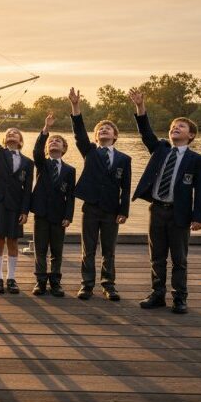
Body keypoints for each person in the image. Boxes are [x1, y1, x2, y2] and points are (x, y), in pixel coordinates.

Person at [129, 89, 201, 314]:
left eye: (181, 126)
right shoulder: (161, 149)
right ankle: (157, 294)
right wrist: (140, 107)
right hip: (157, 210)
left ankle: (180, 298)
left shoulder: (197, 160)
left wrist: (198, 216)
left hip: (180, 214)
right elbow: (146, 132)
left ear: (191, 135)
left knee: (179, 259)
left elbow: (200, 190)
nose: (175, 128)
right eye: (173, 126)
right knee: (157, 256)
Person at [69, 87, 131, 302]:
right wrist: (76, 107)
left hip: (112, 210)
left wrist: (124, 211)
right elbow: (78, 132)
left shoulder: (124, 159)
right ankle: (86, 285)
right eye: (100, 129)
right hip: (91, 207)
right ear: (96, 137)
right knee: (88, 249)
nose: (104, 130)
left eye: (108, 128)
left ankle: (109, 285)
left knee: (109, 250)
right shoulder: (90, 152)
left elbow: (126, 187)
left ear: (115, 136)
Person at [0, 90, 33, 294]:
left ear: (20, 141)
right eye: (9, 133)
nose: (12, 135)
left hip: (15, 205)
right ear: (5, 140)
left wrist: (25, 211)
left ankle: (11, 278)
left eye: (16, 133)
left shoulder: (28, 163)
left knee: (13, 242)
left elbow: (28, 189)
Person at [30, 112, 76, 297]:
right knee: (40, 249)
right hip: (41, 213)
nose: (53, 142)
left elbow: (71, 196)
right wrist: (46, 129)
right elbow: (36, 151)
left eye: (58, 141)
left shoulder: (70, 170)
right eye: (51, 141)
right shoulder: (42, 164)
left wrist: (68, 216)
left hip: (59, 215)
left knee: (57, 250)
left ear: (64, 149)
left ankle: (55, 282)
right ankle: (40, 281)